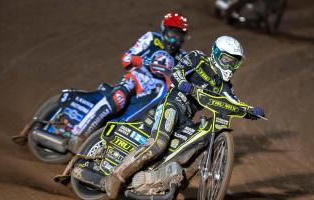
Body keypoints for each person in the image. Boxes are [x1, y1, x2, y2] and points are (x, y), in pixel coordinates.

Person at [102, 35, 265, 199]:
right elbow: (177, 70)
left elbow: (233, 102)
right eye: (227, 60)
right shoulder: (198, 58)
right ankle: (117, 176)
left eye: (234, 62)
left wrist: (250, 110)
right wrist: (182, 83)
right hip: (172, 104)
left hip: (186, 118)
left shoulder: (224, 85)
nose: (230, 65)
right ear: (216, 53)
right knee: (159, 144)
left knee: (195, 153)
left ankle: (168, 186)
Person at [70, 12, 189, 140]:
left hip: (158, 93)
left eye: (179, 36)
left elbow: (181, 82)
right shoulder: (151, 38)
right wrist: (140, 61)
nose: (175, 40)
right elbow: (126, 58)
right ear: (164, 29)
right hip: (138, 77)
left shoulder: (183, 57)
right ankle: (79, 133)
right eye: (173, 34)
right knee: (118, 98)